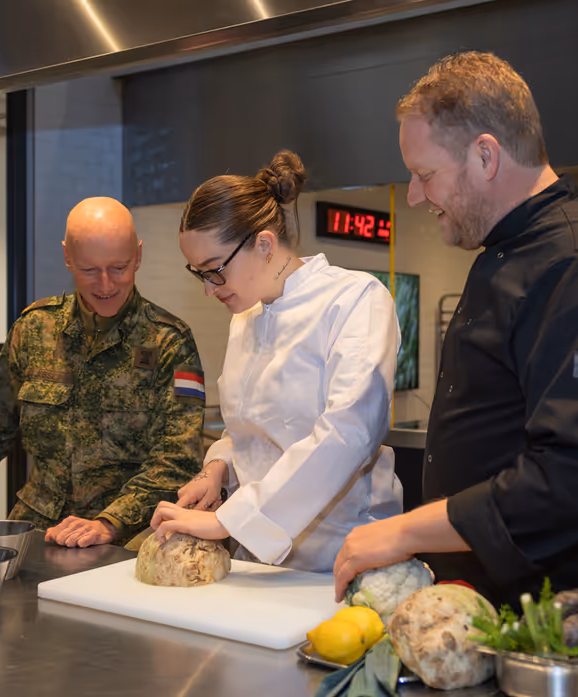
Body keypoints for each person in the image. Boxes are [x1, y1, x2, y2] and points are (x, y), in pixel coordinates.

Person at [332, 52, 578, 648]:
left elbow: (572, 476)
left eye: (424, 175)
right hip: (511, 614)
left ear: (485, 154)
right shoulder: (511, 253)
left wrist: (405, 532)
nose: (417, 198)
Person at [148, 151, 403, 573]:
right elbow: (250, 431)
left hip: (342, 555)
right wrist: (218, 469)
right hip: (258, 560)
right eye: (199, 274)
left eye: (215, 271)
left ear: (265, 244)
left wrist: (229, 520)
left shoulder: (355, 298)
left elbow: (348, 433)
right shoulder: (246, 317)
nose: (210, 291)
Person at [0, 197, 205, 548]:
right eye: (90, 270)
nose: (105, 284)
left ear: (138, 255)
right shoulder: (34, 328)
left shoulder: (169, 342)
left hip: (123, 537)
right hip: (35, 529)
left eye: (119, 268)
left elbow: (177, 458)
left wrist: (110, 521)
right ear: (67, 258)